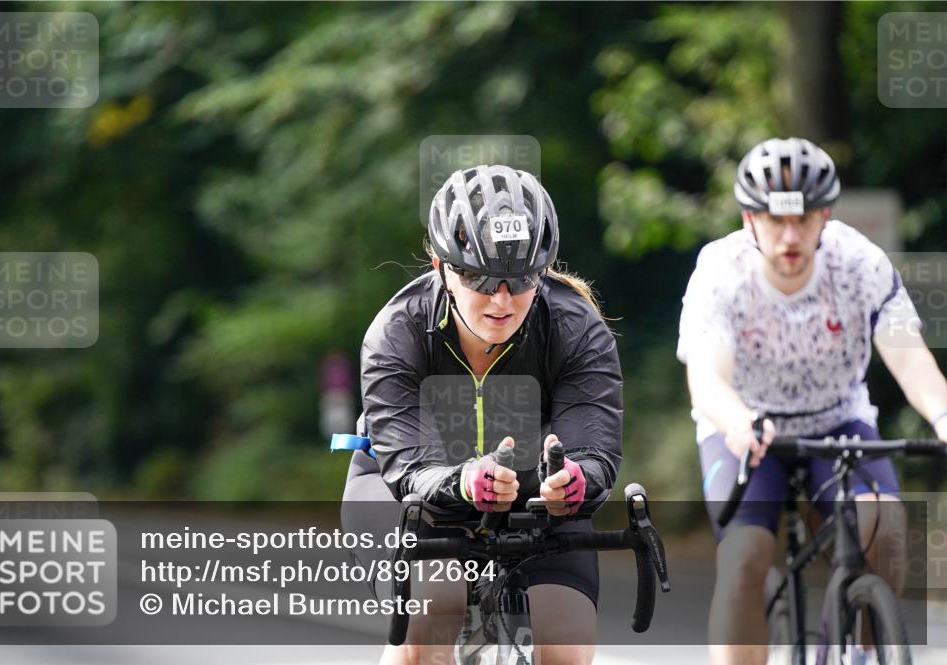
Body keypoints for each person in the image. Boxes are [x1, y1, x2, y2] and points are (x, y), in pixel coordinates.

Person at [677, 136, 947, 665]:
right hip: (747, 426)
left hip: (837, 420)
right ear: (749, 219)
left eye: (803, 219)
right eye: (775, 220)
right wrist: (737, 421)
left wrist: (942, 413)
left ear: (825, 215)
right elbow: (706, 378)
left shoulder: (860, 264)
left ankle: (856, 653)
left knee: (885, 529)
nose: (790, 236)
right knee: (745, 556)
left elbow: (912, 362)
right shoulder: (720, 271)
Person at [341, 164, 623, 664]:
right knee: (432, 615)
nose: (501, 299)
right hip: (407, 493)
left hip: (537, 499)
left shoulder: (576, 327)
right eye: (480, 278)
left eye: (520, 279)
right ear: (440, 267)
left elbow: (593, 449)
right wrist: (466, 481)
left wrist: (574, 480)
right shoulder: (396, 332)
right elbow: (409, 468)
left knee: (568, 646)